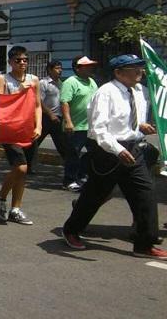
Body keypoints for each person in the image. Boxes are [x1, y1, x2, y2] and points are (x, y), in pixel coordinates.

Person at [62, 54, 166, 259]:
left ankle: (144, 244)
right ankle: (71, 230)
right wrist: (117, 149)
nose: (140, 72)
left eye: (140, 67)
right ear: (118, 72)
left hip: (134, 149)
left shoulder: (140, 92)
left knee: (145, 193)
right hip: (108, 152)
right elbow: (99, 129)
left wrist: (140, 127)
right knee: (94, 195)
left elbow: (129, 121)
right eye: (134, 68)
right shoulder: (105, 93)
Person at [0, 46, 42, 225]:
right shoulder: (2, 79)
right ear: (10, 62)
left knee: (23, 172)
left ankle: (16, 209)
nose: (22, 63)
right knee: (20, 167)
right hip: (10, 129)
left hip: (28, 129)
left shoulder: (34, 80)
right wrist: (20, 91)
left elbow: (37, 105)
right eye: (18, 60)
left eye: (25, 60)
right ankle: (0, 196)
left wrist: (39, 125)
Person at [60, 56, 99, 191]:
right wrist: (68, 121)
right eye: (86, 66)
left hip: (91, 126)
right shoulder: (70, 82)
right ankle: (69, 180)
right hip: (75, 126)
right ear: (77, 68)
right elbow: (65, 102)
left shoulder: (92, 82)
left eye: (91, 65)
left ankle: (83, 175)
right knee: (73, 154)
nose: (90, 68)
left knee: (94, 152)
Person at [36, 61, 76, 186]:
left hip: (58, 119)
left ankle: (70, 170)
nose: (60, 70)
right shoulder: (43, 83)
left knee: (63, 145)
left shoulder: (61, 84)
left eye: (61, 68)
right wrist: (50, 114)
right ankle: (25, 165)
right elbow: (39, 101)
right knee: (35, 141)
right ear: (50, 70)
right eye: (57, 68)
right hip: (45, 118)